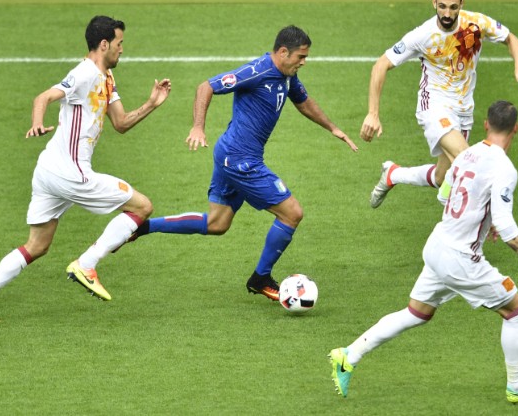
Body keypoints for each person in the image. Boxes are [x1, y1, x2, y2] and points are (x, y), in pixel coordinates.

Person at [329, 101, 518, 403]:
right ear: (516, 128)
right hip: (460, 258)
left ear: (486, 125)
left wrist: (481, 217)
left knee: (416, 313)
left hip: (437, 244)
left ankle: (348, 356)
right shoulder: (504, 168)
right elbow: (505, 225)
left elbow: (444, 194)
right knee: (516, 310)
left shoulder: (467, 154)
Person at [0, 15, 171, 323]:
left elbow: (121, 123)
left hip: (49, 171)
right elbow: (44, 96)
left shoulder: (107, 78)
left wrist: (152, 104)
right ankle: (87, 264)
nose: (123, 50)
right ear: (104, 44)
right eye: (120, 44)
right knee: (143, 206)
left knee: (37, 245)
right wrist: (37, 122)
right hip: (70, 172)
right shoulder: (84, 73)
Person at [129, 25, 358, 301]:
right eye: (301, 57)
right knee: (292, 213)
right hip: (240, 160)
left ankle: (142, 227)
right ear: (283, 52)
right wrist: (198, 127)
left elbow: (303, 101)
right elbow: (206, 87)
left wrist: (332, 128)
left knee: (217, 223)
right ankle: (261, 278)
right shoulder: (258, 71)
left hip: (231, 154)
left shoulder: (287, 75)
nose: (304, 62)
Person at [361, 0, 518, 209]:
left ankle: (393, 174)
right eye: (442, 6)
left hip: (463, 110)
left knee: (441, 177)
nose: (447, 13)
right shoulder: (423, 34)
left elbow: (510, 38)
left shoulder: (475, 23)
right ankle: (462, 215)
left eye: (453, 7)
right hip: (434, 106)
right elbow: (381, 64)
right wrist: (373, 113)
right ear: (434, 2)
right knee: (466, 160)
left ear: (462, 4)